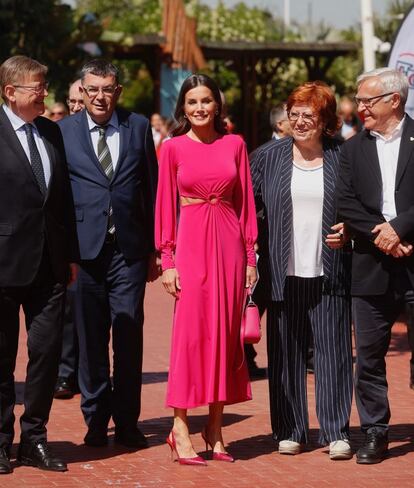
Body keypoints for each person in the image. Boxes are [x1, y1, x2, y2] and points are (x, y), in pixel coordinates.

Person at [155, 74, 257, 465]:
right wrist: (168, 260)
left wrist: (250, 258)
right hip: (192, 245)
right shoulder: (173, 148)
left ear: (218, 105)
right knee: (191, 338)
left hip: (230, 245)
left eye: (206, 101)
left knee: (225, 337)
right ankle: (179, 426)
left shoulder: (235, 144)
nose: (199, 108)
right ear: (183, 107)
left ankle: (214, 428)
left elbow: (245, 202)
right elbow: (165, 206)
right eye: (192, 101)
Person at [58, 59, 158, 449]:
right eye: (92, 89)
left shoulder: (138, 127)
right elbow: (59, 197)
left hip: (128, 252)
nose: (100, 96)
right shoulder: (62, 131)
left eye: (108, 89)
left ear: (118, 91)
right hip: (84, 254)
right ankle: (96, 419)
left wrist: (153, 251)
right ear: (82, 92)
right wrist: (63, 253)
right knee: (91, 339)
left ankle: (128, 422)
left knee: (129, 335)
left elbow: (149, 188)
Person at [251, 81, 353, 460]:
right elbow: (250, 211)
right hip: (282, 272)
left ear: (325, 119)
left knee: (334, 353)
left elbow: (361, 206)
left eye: (307, 115)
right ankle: (291, 428)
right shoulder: (267, 157)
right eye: (292, 114)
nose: (298, 121)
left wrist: (352, 232)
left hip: (330, 270)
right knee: (285, 353)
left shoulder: (344, 157)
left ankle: (336, 430)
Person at [0, 55, 78, 474]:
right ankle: (0, 441)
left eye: (45, 85)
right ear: (11, 92)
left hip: (50, 265)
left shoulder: (50, 132)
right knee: (1, 356)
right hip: (4, 263)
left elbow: (61, 199)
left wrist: (69, 256)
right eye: (37, 86)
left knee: (46, 354)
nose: (44, 92)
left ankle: (35, 439)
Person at [337, 67, 414, 464]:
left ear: (394, 101)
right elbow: (345, 202)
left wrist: (399, 229)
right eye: (360, 99)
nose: (360, 107)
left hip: (413, 257)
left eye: (368, 100)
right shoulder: (351, 148)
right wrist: (381, 234)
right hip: (370, 264)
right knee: (368, 355)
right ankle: (374, 432)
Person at [54, 79, 85, 400]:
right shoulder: (58, 134)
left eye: (79, 101)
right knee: (65, 308)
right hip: (66, 234)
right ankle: (65, 372)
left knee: (87, 309)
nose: (76, 106)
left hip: (93, 236)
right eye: (71, 101)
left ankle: (82, 371)